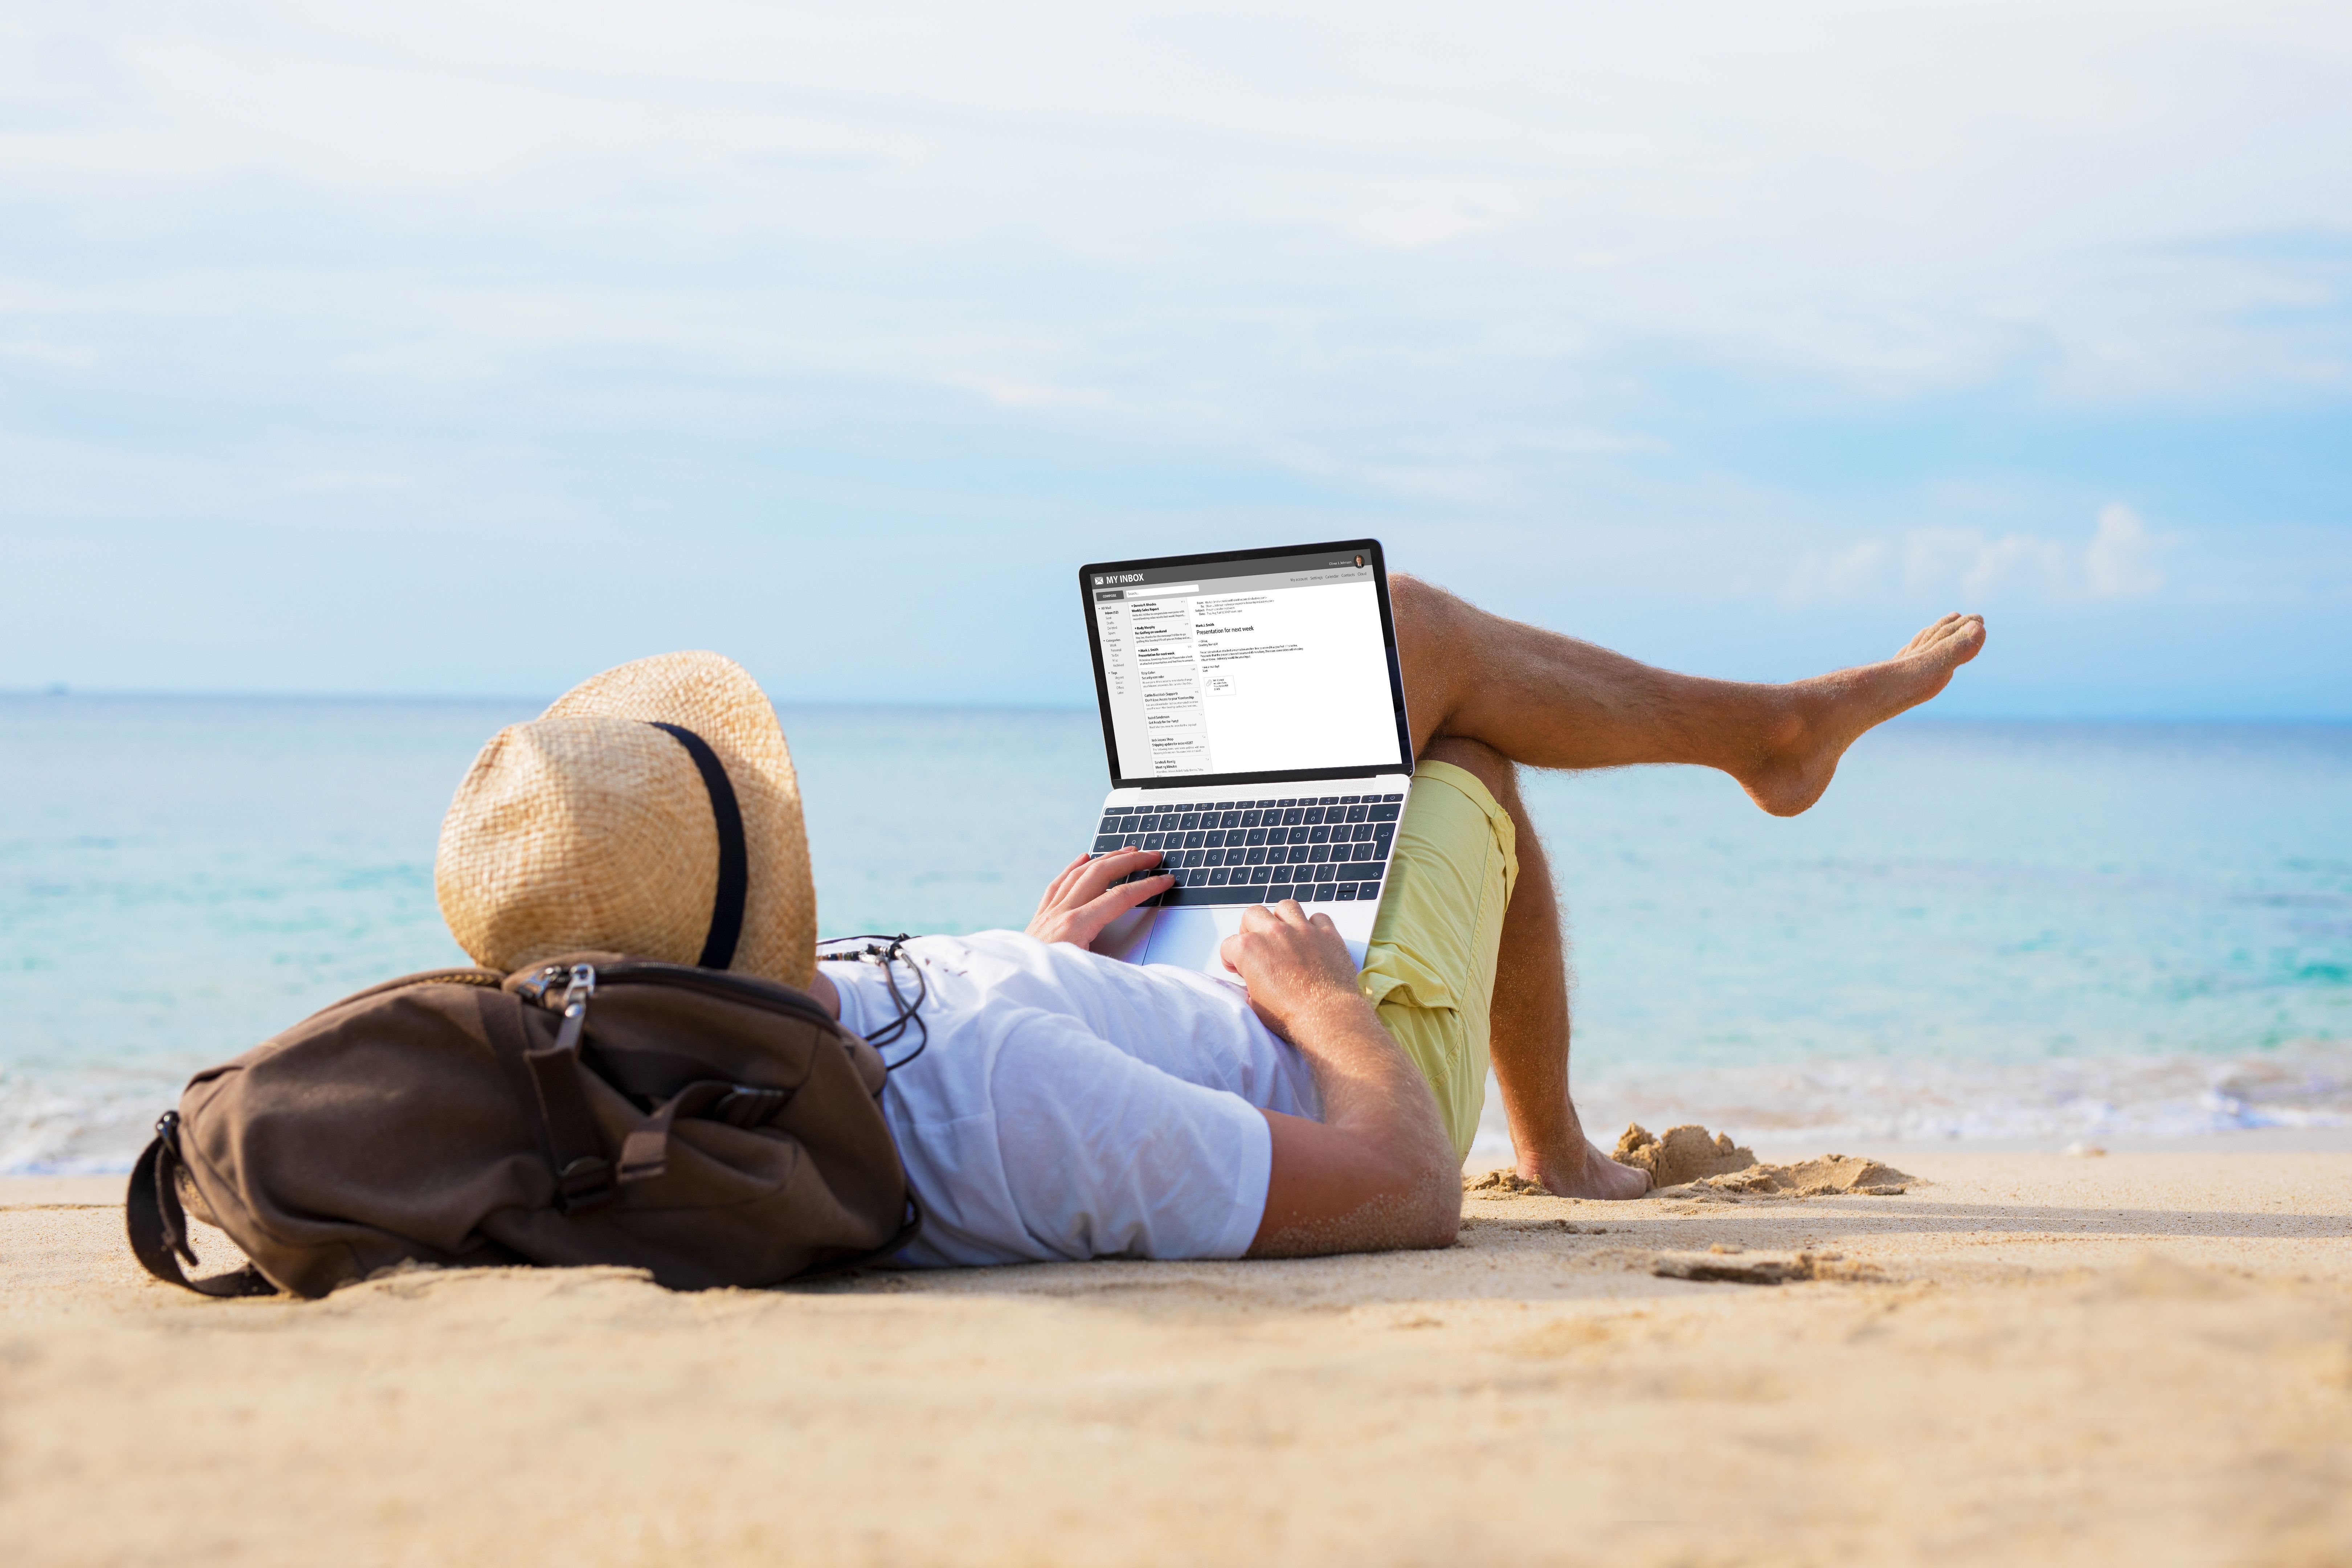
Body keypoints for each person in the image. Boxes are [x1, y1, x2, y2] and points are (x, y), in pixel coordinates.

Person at [433, 578, 1985, 1268]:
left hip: (1124, 981)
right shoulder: (1014, 1104)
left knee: (1407, 663)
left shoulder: (716, 1047)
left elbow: (933, 1041)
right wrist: (1322, 1011)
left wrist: (1033, 953)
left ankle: (1769, 739)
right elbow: (1394, 1196)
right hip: (1335, 1063)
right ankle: (1761, 754)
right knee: (1458, 737)